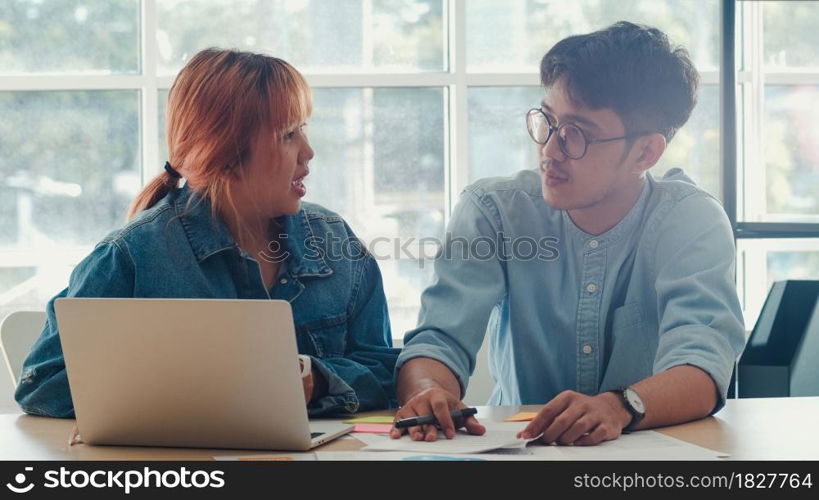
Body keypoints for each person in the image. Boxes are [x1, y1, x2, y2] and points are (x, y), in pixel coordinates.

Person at [392, 22, 746, 445]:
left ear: (645, 152)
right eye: (548, 121)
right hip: (522, 456)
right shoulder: (494, 210)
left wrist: (619, 406)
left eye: (578, 134)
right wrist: (429, 390)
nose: (549, 150)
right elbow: (439, 338)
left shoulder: (690, 220)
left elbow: (703, 366)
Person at [16, 48, 399, 418]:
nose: (308, 152)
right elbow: (41, 383)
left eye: (303, 130)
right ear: (224, 152)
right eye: (288, 135)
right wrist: (190, 386)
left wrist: (314, 380)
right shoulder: (132, 255)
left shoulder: (335, 242)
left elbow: (385, 370)